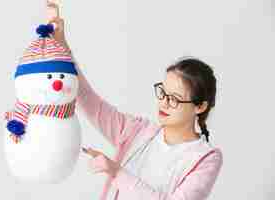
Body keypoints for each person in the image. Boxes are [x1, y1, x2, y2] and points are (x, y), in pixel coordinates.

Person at [47, 1, 223, 199]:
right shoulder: (137, 131)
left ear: (200, 106)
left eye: (174, 99)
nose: (163, 103)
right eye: (163, 93)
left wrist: (116, 172)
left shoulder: (205, 159)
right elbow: (88, 99)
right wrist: (62, 48)